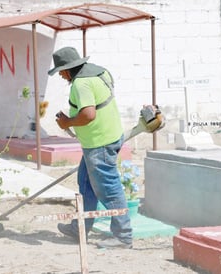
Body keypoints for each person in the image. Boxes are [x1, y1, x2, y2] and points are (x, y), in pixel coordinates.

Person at [48, 46, 133, 249]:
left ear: (69, 69)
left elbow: (88, 115)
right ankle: (80, 228)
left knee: (108, 188)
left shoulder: (81, 84)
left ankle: (123, 237)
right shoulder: (100, 72)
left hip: (99, 143)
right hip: (106, 137)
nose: (60, 75)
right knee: (85, 184)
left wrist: (67, 123)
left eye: (61, 71)